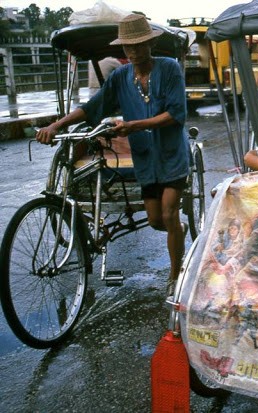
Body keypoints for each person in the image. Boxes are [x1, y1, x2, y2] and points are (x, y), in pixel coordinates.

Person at [35, 14, 191, 291]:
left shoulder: (169, 69)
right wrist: (56, 124)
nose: (134, 51)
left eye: (139, 45)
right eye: (129, 47)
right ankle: (177, 233)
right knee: (156, 220)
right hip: (145, 157)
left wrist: (133, 125)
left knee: (168, 213)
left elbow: (176, 113)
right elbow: (93, 107)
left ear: (150, 44)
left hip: (170, 153)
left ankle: (175, 276)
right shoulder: (120, 77)